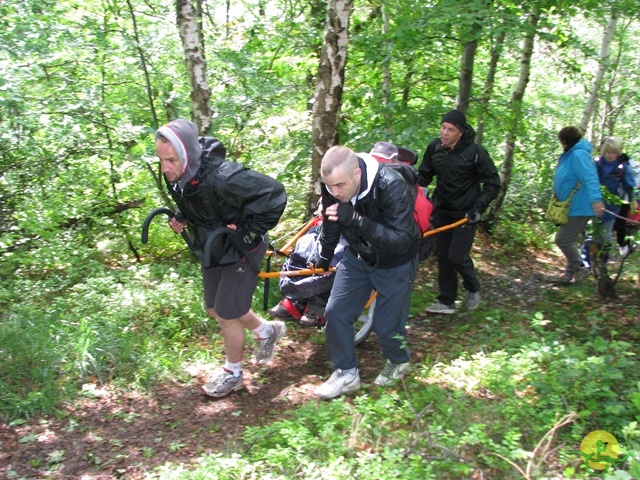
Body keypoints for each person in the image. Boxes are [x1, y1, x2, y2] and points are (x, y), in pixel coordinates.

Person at [155, 119, 288, 398]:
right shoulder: (178, 175)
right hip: (213, 246)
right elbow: (198, 203)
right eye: (161, 159)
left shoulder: (224, 177)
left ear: (187, 155)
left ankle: (233, 374)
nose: (165, 167)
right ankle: (267, 331)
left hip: (241, 247)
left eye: (170, 160)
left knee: (228, 313)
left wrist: (246, 229)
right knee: (215, 308)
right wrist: (183, 216)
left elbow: (274, 194)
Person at [312, 145, 420, 400]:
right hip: (359, 254)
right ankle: (346, 373)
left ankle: (398, 360)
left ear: (358, 174)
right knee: (336, 312)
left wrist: (358, 221)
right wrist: (325, 255)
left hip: (396, 261)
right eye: (329, 187)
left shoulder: (390, 185)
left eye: (340, 185)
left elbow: (402, 239)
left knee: (386, 325)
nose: (334, 193)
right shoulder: (333, 187)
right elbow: (331, 219)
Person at [417, 109, 500, 314]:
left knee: (456, 256)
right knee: (443, 257)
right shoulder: (434, 148)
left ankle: (473, 287)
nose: (444, 133)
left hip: (466, 215)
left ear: (460, 132)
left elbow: (493, 183)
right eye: (443, 127)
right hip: (442, 212)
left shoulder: (474, 153)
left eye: (450, 129)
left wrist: (477, 208)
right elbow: (423, 176)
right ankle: (447, 302)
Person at [547, 126, 604, 284]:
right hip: (571, 206)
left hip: (581, 206)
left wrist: (596, 200)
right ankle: (571, 274)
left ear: (564, 140)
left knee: (562, 239)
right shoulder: (570, 154)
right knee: (567, 238)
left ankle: (580, 268)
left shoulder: (578, 154)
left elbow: (590, 178)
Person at [595, 138, 639, 256]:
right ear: (604, 151)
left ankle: (602, 265)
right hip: (593, 204)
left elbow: (629, 184)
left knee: (606, 237)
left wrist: (634, 199)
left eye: (613, 152)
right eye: (608, 152)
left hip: (611, 206)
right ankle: (587, 264)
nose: (610, 155)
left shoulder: (621, 167)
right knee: (591, 236)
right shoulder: (597, 163)